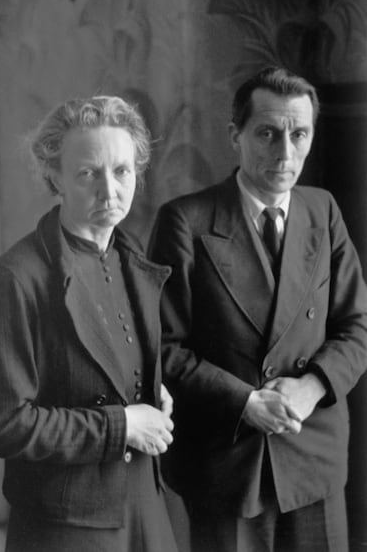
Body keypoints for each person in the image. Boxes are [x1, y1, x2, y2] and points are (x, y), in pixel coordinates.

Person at [149, 66, 367, 552]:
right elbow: (163, 348)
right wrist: (246, 403)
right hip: (227, 461)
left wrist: (312, 387)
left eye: (299, 134)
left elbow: (357, 326)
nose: (285, 153)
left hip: (312, 449)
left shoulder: (322, 210)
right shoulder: (185, 221)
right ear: (236, 135)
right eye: (267, 133)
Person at [0, 96, 180, 552]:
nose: (109, 190)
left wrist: (150, 390)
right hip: (66, 523)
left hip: (143, 503)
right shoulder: (18, 277)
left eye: (122, 171)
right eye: (89, 173)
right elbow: (1, 423)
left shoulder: (131, 260)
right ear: (55, 177)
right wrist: (121, 425)